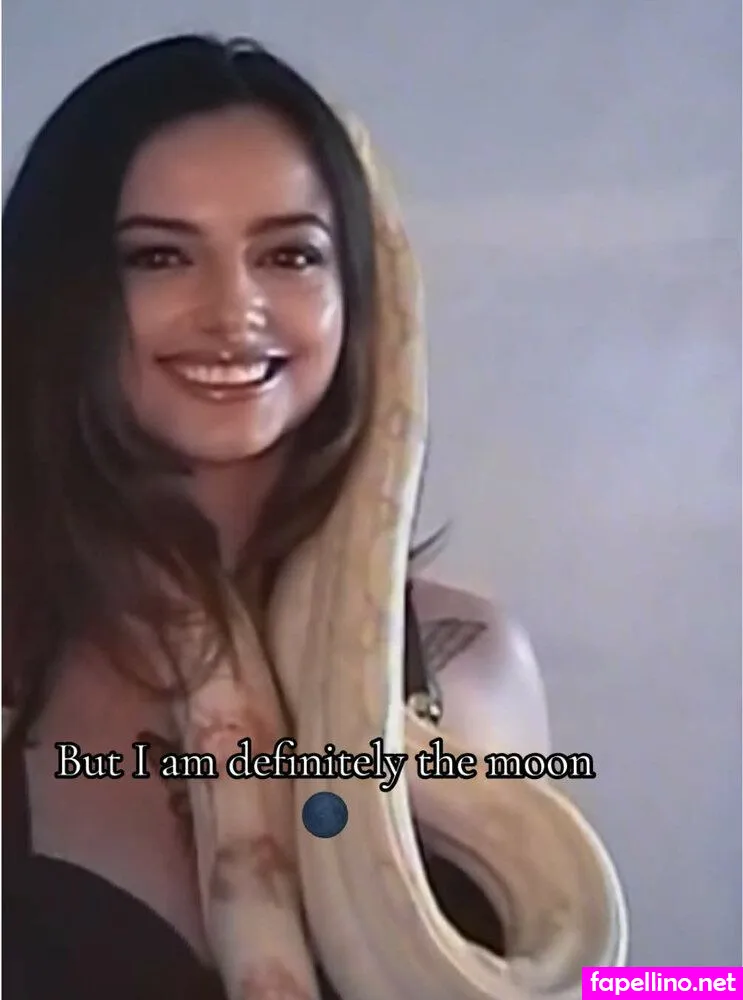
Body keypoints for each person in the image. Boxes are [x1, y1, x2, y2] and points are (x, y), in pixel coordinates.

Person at [3, 34, 549, 999]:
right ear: (62, 292)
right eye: (159, 256)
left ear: (354, 296)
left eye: (290, 253)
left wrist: (701, 986)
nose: (234, 310)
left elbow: (615, 981)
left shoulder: (469, 667)